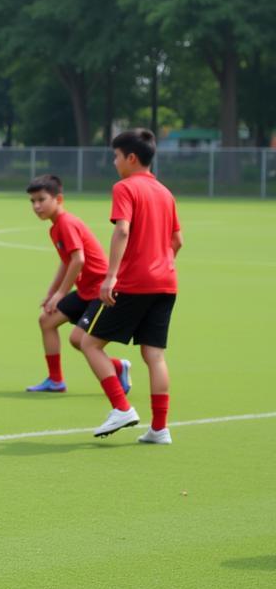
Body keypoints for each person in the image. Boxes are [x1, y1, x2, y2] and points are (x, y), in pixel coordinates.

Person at [78, 130, 182, 444]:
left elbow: (121, 231)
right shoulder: (165, 193)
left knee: (89, 343)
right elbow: (177, 241)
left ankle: (121, 407)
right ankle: (160, 429)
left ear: (131, 158)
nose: (114, 162)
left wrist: (110, 277)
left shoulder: (125, 188)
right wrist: (160, 263)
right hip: (166, 282)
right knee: (155, 355)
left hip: (134, 283)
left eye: (116, 156)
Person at [24, 174, 131, 395]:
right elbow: (66, 262)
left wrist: (61, 293)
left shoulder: (66, 223)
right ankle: (55, 381)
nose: (36, 206)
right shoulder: (54, 228)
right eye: (32, 201)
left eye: (41, 199)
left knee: (79, 340)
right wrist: (52, 293)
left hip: (100, 291)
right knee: (46, 320)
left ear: (58, 199)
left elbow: (78, 260)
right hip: (85, 290)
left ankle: (118, 367)